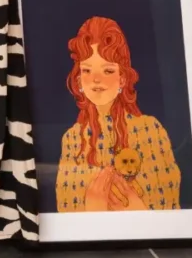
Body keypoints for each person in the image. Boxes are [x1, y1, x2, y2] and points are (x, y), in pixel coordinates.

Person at [56, 15, 180, 212]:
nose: (96, 79)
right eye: (87, 71)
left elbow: (171, 210)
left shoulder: (150, 130)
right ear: (78, 79)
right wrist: (93, 208)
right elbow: (64, 212)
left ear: (122, 78)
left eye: (107, 71)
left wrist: (137, 210)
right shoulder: (72, 139)